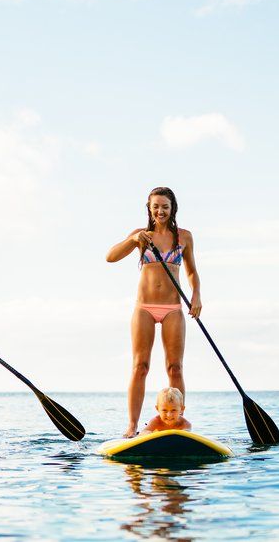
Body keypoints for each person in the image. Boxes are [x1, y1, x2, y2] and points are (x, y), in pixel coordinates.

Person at [106, 186, 202, 438]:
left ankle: (176, 424)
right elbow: (110, 257)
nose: (160, 211)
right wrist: (131, 240)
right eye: (156, 206)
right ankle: (132, 426)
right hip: (144, 308)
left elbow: (191, 271)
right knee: (140, 366)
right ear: (149, 208)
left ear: (173, 209)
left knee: (175, 368)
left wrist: (196, 295)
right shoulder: (141, 236)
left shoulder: (185, 237)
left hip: (173, 307)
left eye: (165, 206)